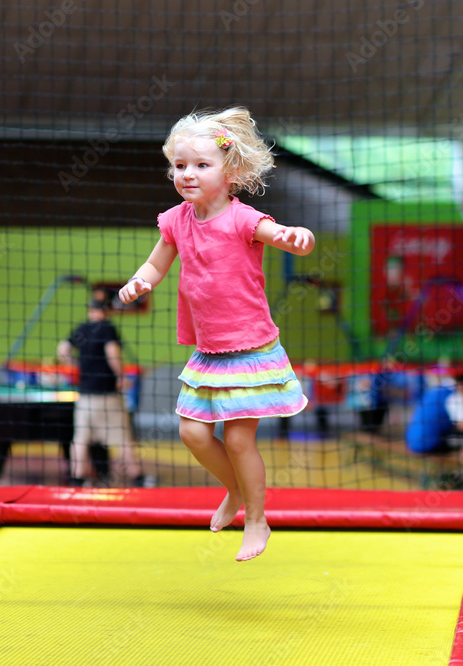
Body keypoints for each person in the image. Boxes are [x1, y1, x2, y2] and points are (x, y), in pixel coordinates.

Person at [119, 107, 315, 562]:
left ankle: (257, 518)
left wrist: (295, 235)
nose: (188, 174)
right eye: (180, 166)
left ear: (230, 173)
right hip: (209, 351)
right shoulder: (175, 220)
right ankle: (234, 490)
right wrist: (140, 281)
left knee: (240, 439)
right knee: (192, 433)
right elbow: (156, 263)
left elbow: (277, 233)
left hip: (249, 346)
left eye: (201, 165)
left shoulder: (243, 219)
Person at [56, 299, 150, 487]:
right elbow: (112, 352)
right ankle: (137, 477)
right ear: (106, 311)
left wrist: (76, 366)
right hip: (106, 394)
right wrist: (121, 376)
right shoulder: (107, 328)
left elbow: (62, 349)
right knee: (123, 437)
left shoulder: (82, 328)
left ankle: (78, 478)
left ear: (90, 309)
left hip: (85, 395)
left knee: (81, 438)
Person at [405, 372, 463, 463]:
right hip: (428, 445)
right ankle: (459, 466)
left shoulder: (435, 390)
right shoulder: (455, 396)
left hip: (412, 442)